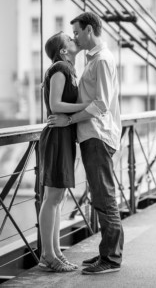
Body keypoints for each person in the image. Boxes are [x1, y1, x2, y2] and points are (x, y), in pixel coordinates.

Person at [48, 11, 124, 275]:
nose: (75, 38)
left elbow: (101, 104)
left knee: (104, 198)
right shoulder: (94, 60)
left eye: (78, 32)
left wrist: (69, 121)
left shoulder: (101, 60)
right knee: (101, 196)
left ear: (89, 30)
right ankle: (107, 252)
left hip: (97, 136)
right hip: (92, 135)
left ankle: (111, 259)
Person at [38, 31, 90, 272]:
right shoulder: (60, 67)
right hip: (57, 137)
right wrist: (88, 106)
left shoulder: (68, 69)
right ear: (62, 50)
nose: (74, 39)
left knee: (59, 198)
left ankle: (56, 253)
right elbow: (55, 104)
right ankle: (47, 255)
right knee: (52, 197)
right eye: (70, 39)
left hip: (64, 136)